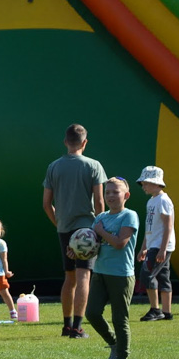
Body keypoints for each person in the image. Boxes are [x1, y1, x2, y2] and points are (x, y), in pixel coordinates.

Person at [43, 123, 107, 338]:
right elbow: (99, 202)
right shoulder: (93, 165)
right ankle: (78, 327)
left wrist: (58, 223)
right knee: (83, 277)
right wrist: (99, 230)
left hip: (64, 228)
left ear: (65, 142)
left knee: (69, 277)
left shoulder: (54, 166)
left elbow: (46, 204)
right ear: (85, 142)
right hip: (87, 229)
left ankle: (66, 325)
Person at [84, 177, 139, 359]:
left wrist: (100, 231)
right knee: (91, 312)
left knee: (119, 318)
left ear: (126, 195)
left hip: (121, 275)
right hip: (100, 272)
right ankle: (115, 345)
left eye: (115, 192)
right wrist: (77, 251)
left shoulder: (129, 216)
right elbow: (92, 245)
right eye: (107, 192)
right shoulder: (100, 217)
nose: (110, 196)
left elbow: (119, 243)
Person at [135, 166, 175, 321]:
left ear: (156, 183)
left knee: (147, 274)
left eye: (146, 183)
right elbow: (150, 227)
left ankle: (155, 309)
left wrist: (162, 249)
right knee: (163, 277)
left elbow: (168, 226)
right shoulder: (152, 201)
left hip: (161, 246)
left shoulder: (164, 200)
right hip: (154, 245)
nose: (143, 186)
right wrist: (144, 247)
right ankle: (167, 312)